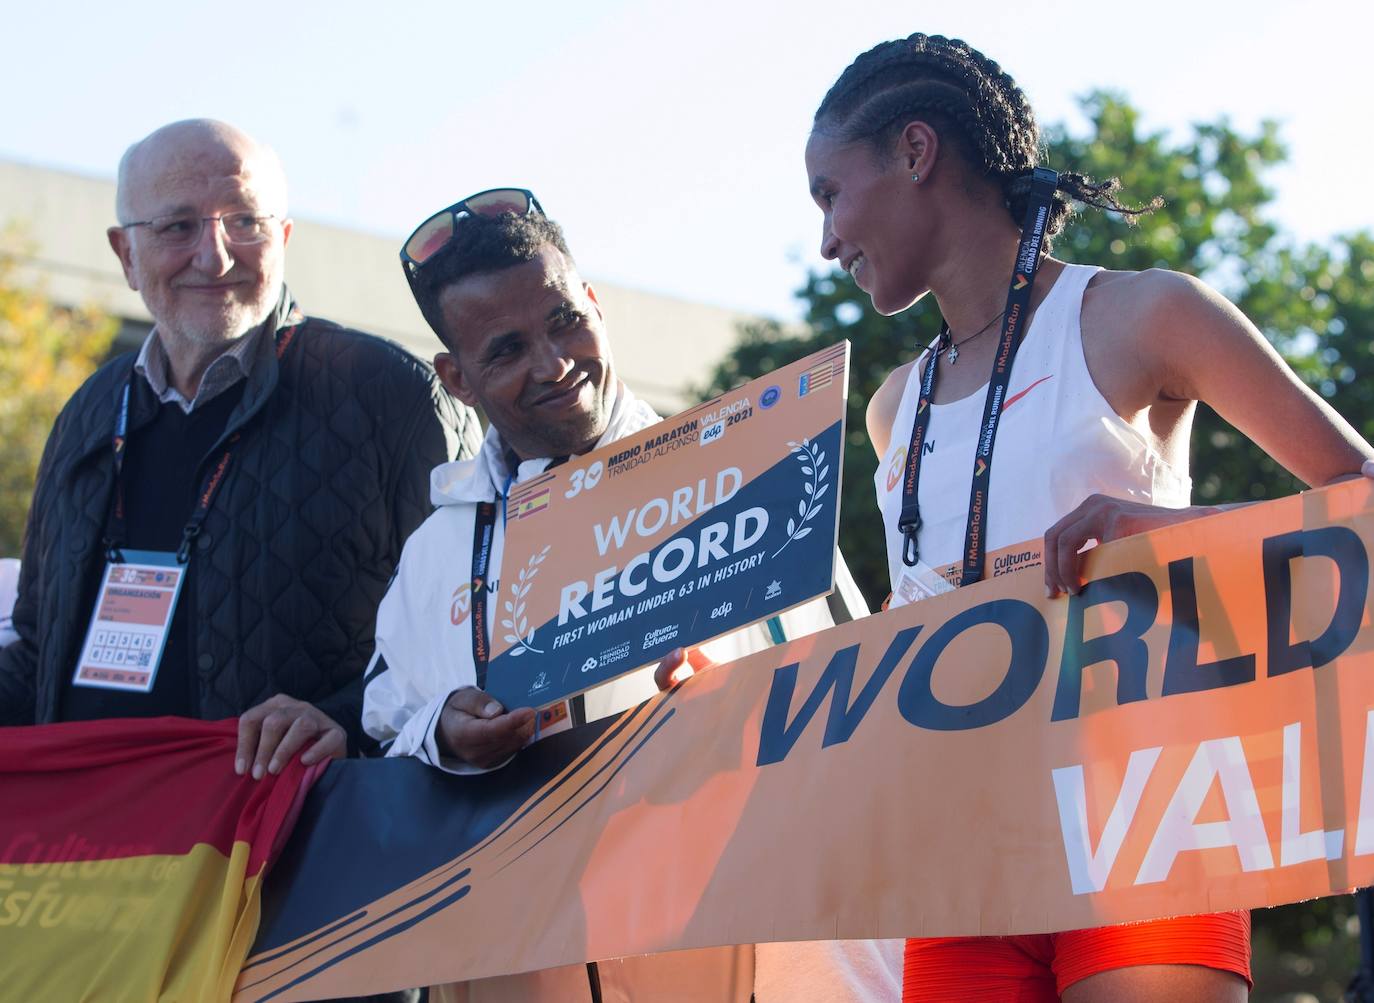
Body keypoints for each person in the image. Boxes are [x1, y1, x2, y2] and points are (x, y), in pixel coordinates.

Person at [806, 33, 1374, 1003]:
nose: (826, 240)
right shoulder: (891, 407)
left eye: (829, 193)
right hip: (962, 845)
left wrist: (1160, 536)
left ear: (915, 152)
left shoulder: (1144, 314)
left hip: (1149, 809)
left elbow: (1358, 505)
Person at [362, 191, 899, 1001]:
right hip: (503, 957)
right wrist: (442, 731)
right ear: (456, 378)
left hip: (709, 939)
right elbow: (381, 726)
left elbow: (859, 694)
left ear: (597, 305)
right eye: (506, 350)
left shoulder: (749, 469)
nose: (553, 364)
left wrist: (731, 700)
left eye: (566, 320)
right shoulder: (435, 550)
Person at [0, 120, 479, 786]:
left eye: (245, 223)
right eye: (177, 227)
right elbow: (36, 651)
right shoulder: (87, 412)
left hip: (296, 857)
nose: (216, 255)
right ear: (125, 254)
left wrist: (341, 718)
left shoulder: (392, 397)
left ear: (283, 238)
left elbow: (472, 634)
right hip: (91, 856)